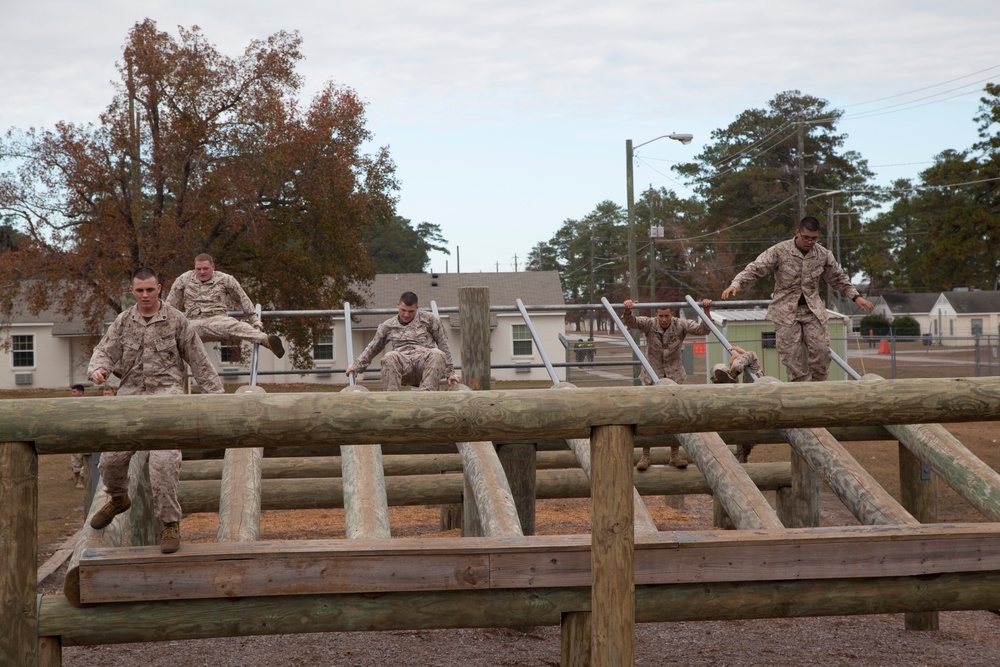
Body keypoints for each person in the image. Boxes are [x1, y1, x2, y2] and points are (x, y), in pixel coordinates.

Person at [87, 267, 225, 553]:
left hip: (167, 400)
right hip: (132, 399)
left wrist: (218, 399)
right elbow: (105, 351)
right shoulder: (124, 321)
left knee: (163, 465)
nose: (145, 295)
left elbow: (199, 361)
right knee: (111, 461)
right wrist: (99, 370)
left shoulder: (176, 320)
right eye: (140, 290)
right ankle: (117, 498)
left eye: (150, 289)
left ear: (160, 288)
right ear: (132, 292)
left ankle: (170, 524)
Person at [721, 216, 874, 382]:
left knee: (821, 350)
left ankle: (818, 387)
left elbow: (838, 278)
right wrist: (736, 284)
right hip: (785, 311)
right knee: (792, 356)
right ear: (797, 233)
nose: (810, 242)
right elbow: (756, 268)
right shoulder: (780, 251)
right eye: (806, 237)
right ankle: (799, 388)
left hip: (812, 310)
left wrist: (856, 297)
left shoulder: (823, 255)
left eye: (814, 238)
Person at [621, 297, 713, 470]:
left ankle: (674, 455)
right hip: (652, 374)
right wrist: (627, 310)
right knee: (648, 416)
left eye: (667, 316)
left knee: (675, 416)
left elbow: (704, 329)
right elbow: (631, 322)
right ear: (656, 315)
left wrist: (706, 310)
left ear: (672, 315)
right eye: (661, 316)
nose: (664, 319)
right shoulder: (649, 324)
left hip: (674, 375)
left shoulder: (681, 324)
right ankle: (645, 456)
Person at [165, 253, 285, 358]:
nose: (202, 272)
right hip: (193, 322)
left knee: (237, 326)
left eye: (205, 268)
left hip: (217, 320)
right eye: (198, 269)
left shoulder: (225, 279)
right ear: (194, 268)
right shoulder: (184, 279)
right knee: (167, 336)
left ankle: (266, 341)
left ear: (213, 267)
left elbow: (242, 298)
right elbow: (170, 304)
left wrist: (253, 318)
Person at [346, 291, 460, 391]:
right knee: (389, 356)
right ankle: (393, 400)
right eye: (403, 310)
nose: (406, 314)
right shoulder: (388, 325)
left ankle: (426, 398)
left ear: (417, 307)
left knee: (438, 354)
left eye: (411, 311)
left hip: (425, 364)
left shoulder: (429, 319)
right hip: (403, 365)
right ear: (398, 305)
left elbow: (443, 344)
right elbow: (373, 347)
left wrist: (450, 373)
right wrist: (357, 366)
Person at [69, 384, 86, 488]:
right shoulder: (70, 404)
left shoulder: (86, 404)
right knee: (75, 456)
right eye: (72, 392)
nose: (72, 394)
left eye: (74, 392)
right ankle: (76, 475)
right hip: (74, 434)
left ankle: (82, 478)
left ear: (81, 392)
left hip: (84, 434)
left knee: (85, 457)